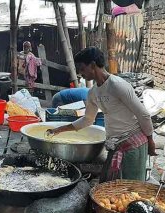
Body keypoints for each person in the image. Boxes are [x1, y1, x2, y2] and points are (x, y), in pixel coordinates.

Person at [47, 46, 156, 182]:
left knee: (129, 190)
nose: (80, 73)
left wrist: (150, 141)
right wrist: (60, 129)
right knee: (107, 186)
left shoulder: (117, 85)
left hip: (133, 143)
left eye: (82, 68)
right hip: (115, 144)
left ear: (93, 65)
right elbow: (87, 120)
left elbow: (143, 114)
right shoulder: (93, 93)